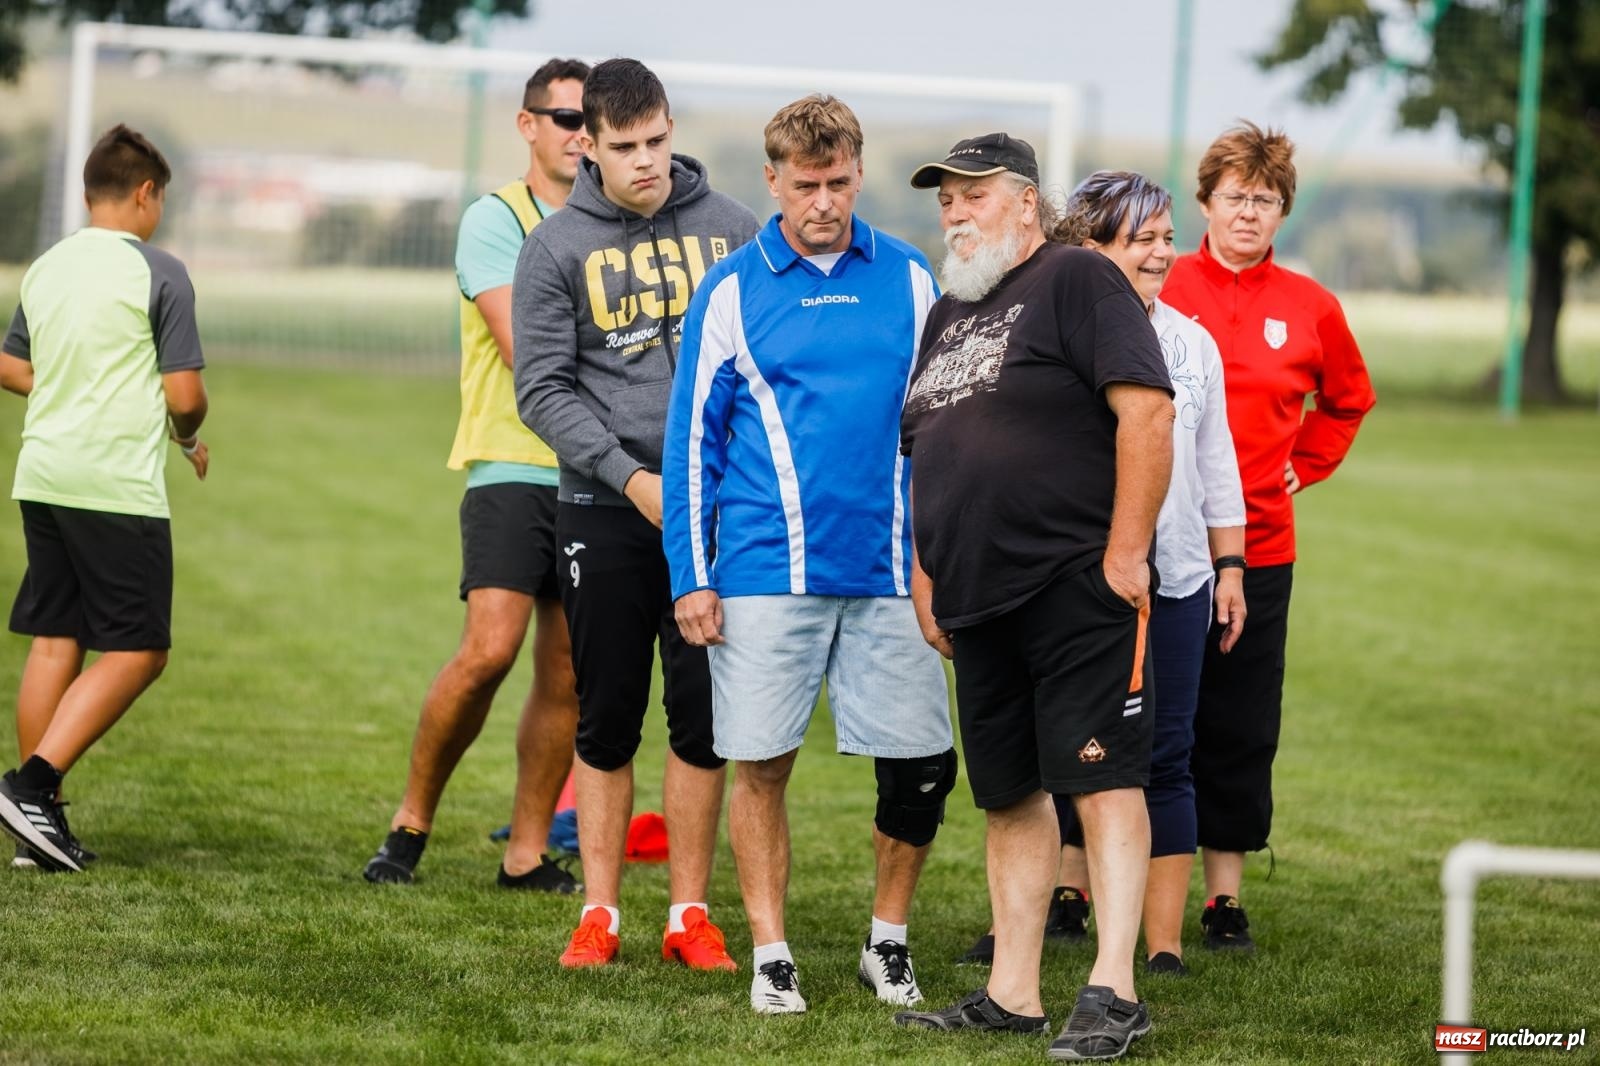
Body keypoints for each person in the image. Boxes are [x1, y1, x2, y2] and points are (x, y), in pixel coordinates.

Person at [661, 95, 957, 1015]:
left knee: (918, 767)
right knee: (762, 764)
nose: (823, 202)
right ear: (773, 181)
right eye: (805, 185)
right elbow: (688, 447)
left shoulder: (911, 278)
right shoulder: (733, 289)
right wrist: (692, 576)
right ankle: (772, 953)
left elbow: (945, 428)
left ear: (859, 174)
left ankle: (888, 944)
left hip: (890, 575)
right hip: (761, 571)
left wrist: (941, 560)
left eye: (837, 182)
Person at [890, 134, 1173, 1062]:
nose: (955, 214)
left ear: (1025, 203)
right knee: (1009, 796)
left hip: (1074, 582)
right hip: (978, 603)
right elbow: (927, 456)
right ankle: (1012, 992)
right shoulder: (946, 316)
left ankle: (1114, 988)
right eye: (945, 201)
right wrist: (930, 579)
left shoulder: (1077, 281)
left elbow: (1148, 409)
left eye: (972, 196)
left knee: (1102, 780)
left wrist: (1126, 554)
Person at [512, 58, 759, 970]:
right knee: (607, 716)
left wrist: (716, 482)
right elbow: (542, 390)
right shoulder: (554, 248)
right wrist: (629, 478)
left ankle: (688, 916)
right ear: (590, 145)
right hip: (607, 509)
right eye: (627, 147)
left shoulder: (737, 232)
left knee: (702, 719)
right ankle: (602, 915)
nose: (648, 160)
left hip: (718, 515)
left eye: (658, 140)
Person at [362, 58, 591, 893]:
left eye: (588, 120)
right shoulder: (496, 220)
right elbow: (525, 351)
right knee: (488, 651)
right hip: (509, 463)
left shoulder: (620, 224)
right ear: (528, 125)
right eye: (563, 118)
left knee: (567, 672)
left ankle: (525, 853)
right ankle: (411, 822)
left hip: (598, 476)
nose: (579, 133)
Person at [1161, 122, 1375, 952]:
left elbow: (1349, 400)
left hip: (1259, 548)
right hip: (1157, 537)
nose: (1249, 212)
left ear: (1282, 211)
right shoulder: (1162, 282)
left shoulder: (1311, 306)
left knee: (1238, 721)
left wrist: (1306, 464)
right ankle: (1074, 888)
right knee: (1125, 713)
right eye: (1235, 196)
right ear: (1205, 203)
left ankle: (1222, 901)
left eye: (1266, 199)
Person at [1044, 171, 1247, 977]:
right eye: (1145, 238)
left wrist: (1228, 566)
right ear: (1092, 249)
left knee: (1167, 756)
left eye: (1167, 235)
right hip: (1079, 585)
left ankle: (1158, 948)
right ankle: (1048, 915)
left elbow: (1216, 466)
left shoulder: (1193, 344)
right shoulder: (1056, 336)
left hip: (1181, 583)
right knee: (1066, 755)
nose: (1165, 252)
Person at [0, 124, 209, 873]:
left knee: (58, 637)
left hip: (44, 474)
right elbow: (185, 396)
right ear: (146, 193)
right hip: (113, 484)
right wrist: (188, 430)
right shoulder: (160, 270)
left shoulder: (48, 268)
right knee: (140, 649)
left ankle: (36, 831)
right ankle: (32, 786)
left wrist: (73, 388)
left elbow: (11, 365)